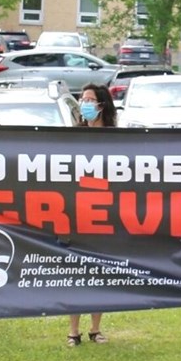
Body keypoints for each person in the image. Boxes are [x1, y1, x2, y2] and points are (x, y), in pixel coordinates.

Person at [68, 83, 117, 347]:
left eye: (90, 100)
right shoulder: (73, 136)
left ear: (102, 105)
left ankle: (95, 328)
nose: (85, 104)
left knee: (99, 272)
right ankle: (73, 330)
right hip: (76, 212)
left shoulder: (115, 138)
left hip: (104, 212)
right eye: (82, 99)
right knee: (76, 272)